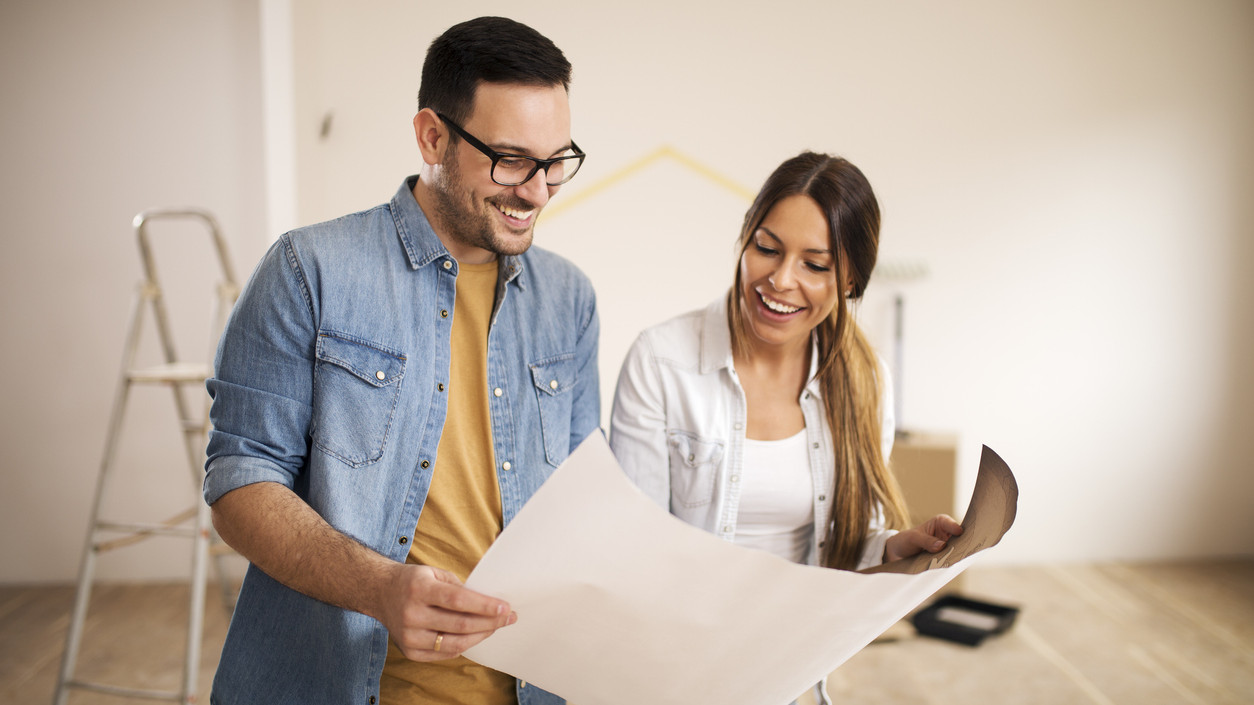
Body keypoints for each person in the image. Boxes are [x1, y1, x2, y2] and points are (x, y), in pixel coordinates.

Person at [203, 17, 596, 705]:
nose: (536, 191)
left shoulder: (569, 299)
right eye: (510, 160)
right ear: (432, 136)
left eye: (555, 161)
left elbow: (579, 502)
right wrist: (380, 589)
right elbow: (240, 483)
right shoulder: (308, 270)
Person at [609, 152, 962, 700]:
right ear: (746, 239)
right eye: (767, 248)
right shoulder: (662, 362)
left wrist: (893, 550)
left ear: (850, 280)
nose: (780, 279)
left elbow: (845, 544)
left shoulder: (866, 381)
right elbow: (638, 552)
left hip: (789, 674)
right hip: (675, 672)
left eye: (815, 265)